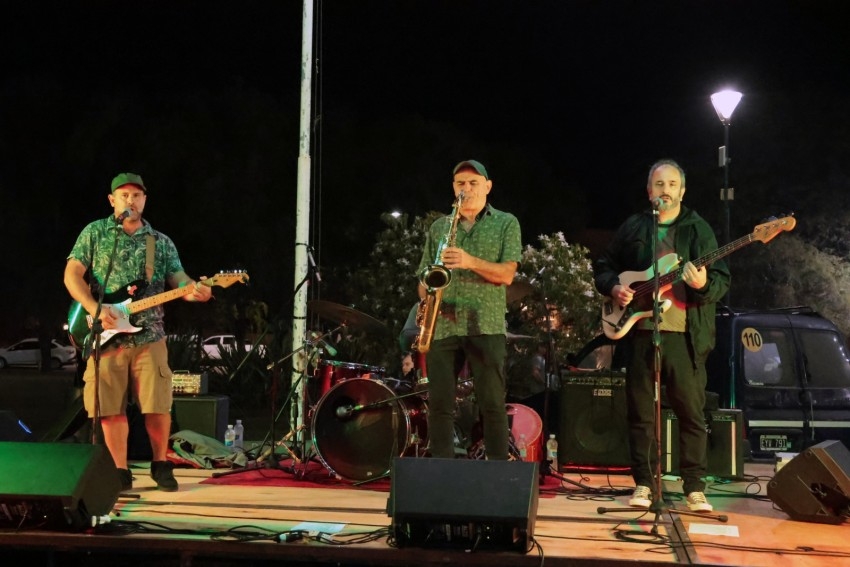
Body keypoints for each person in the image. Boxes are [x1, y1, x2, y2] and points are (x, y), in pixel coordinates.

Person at [593, 159, 730, 512]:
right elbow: (604, 265)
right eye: (659, 184)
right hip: (639, 331)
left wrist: (702, 284)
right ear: (649, 191)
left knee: (690, 412)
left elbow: (721, 281)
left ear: (682, 191)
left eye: (671, 184)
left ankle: (694, 487)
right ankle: (643, 483)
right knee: (640, 412)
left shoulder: (698, 229)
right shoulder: (634, 226)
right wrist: (613, 289)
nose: (665, 190)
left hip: (684, 336)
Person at [64, 172, 212, 492]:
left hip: (150, 335)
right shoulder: (95, 233)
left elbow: (179, 280)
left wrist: (194, 290)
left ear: (145, 199)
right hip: (105, 334)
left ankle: (160, 464)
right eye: (124, 195)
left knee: (157, 403)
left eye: (136, 195)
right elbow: (72, 274)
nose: (131, 200)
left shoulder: (159, 242)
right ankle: (119, 470)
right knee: (109, 408)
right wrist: (94, 308)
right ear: (112, 200)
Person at [417, 159, 522, 460]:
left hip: (485, 324)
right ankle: (441, 472)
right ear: (453, 188)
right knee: (439, 403)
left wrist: (468, 261)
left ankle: (498, 472)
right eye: (460, 183)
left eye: (474, 183)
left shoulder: (506, 223)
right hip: (444, 322)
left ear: (488, 187)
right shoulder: (439, 226)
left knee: (491, 403)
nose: (467, 189)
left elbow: (506, 275)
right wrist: (427, 289)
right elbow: (422, 277)